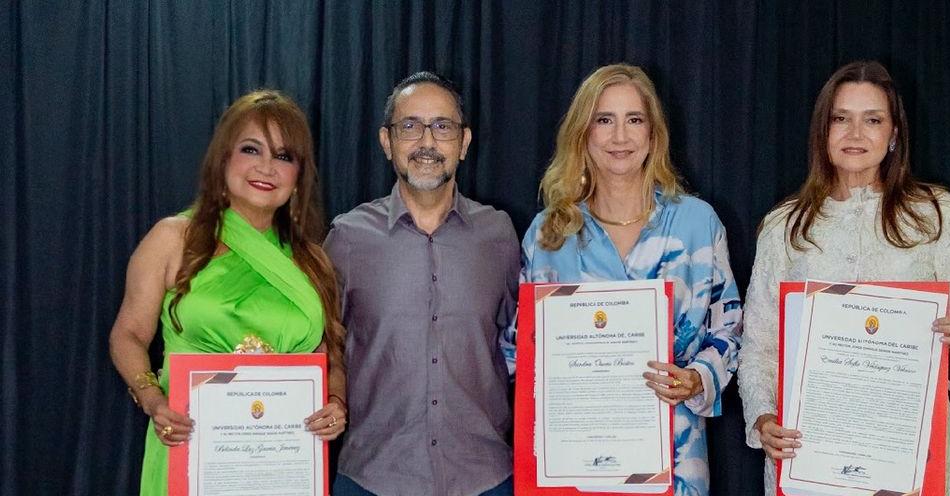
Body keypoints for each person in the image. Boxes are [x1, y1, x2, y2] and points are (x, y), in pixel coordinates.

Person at [736, 60, 950, 495]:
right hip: (808, 452)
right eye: (841, 119)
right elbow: (759, 349)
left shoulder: (935, 214)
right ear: (823, 132)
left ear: (894, 134)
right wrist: (763, 419)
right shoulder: (784, 225)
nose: (855, 134)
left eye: (873, 120)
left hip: (905, 452)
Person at [107, 89, 348, 495]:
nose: (267, 167)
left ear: (298, 176)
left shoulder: (312, 259)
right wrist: (152, 399)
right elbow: (127, 335)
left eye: (284, 156)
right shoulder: (172, 239)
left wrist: (336, 405)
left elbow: (330, 359)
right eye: (252, 149)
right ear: (224, 159)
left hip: (283, 465)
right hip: (190, 449)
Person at [520, 63, 743, 496]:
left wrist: (698, 377)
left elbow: (730, 328)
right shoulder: (548, 234)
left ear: (653, 134)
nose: (620, 137)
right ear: (583, 133)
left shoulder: (697, 223)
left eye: (634, 120)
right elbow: (520, 350)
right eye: (604, 120)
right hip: (572, 465)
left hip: (675, 467)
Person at [326, 72, 520, 496]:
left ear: (464, 143)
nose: (427, 142)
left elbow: (524, 344)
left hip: (485, 476)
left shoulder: (499, 234)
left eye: (443, 126)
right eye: (410, 126)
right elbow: (324, 343)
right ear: (386, 141)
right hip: (371, 477)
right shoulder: (347, 237)